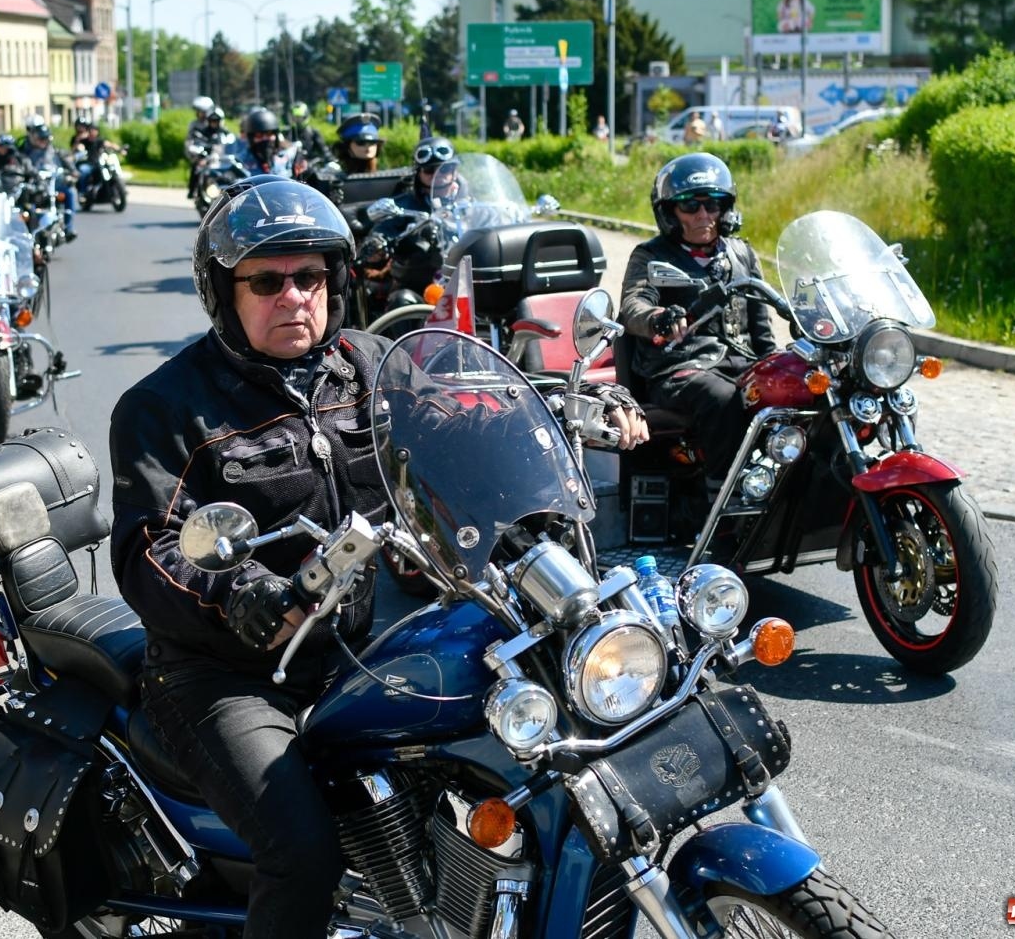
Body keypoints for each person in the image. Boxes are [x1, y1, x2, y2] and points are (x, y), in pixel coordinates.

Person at [109, 176, 644, 939]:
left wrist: (566, 415)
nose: (294, 297)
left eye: (310, 277)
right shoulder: (165, 409)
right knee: (303, 853)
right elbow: (149, 549)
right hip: (234, 670)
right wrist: (241, 592)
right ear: (224, 293)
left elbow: (462, 423)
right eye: (267, 281)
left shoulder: (367, 363)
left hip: (369, 639)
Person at [618, 152, 777, 482]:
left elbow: (762, 325)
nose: (704, 214)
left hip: (739, 362)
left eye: (714, 204)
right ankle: (723, 500)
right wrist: (658, 318)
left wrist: (776, 360)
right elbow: (634, 306)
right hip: (678, 369)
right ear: (671, 212)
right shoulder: (651, 255)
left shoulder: (741, 252)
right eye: (691, 205)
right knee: (722, 397)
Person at [19, 116, 79, 240]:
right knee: (25, 198)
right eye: (36, 134)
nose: (42, 140)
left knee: (70, 191)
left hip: (54, 182)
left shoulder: (53, 149)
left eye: (44, 137)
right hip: (34, 183)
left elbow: (66, 159)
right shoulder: (23, 150)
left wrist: (72, 173)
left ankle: (69, 227)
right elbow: (18, 165)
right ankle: (27, 231)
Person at [236, 107, 285, 175]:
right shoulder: (241, 161)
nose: (265, 139)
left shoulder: (287, 157)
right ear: (251, 138)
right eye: (259, 135)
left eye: (269, 134)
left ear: (276, 135)